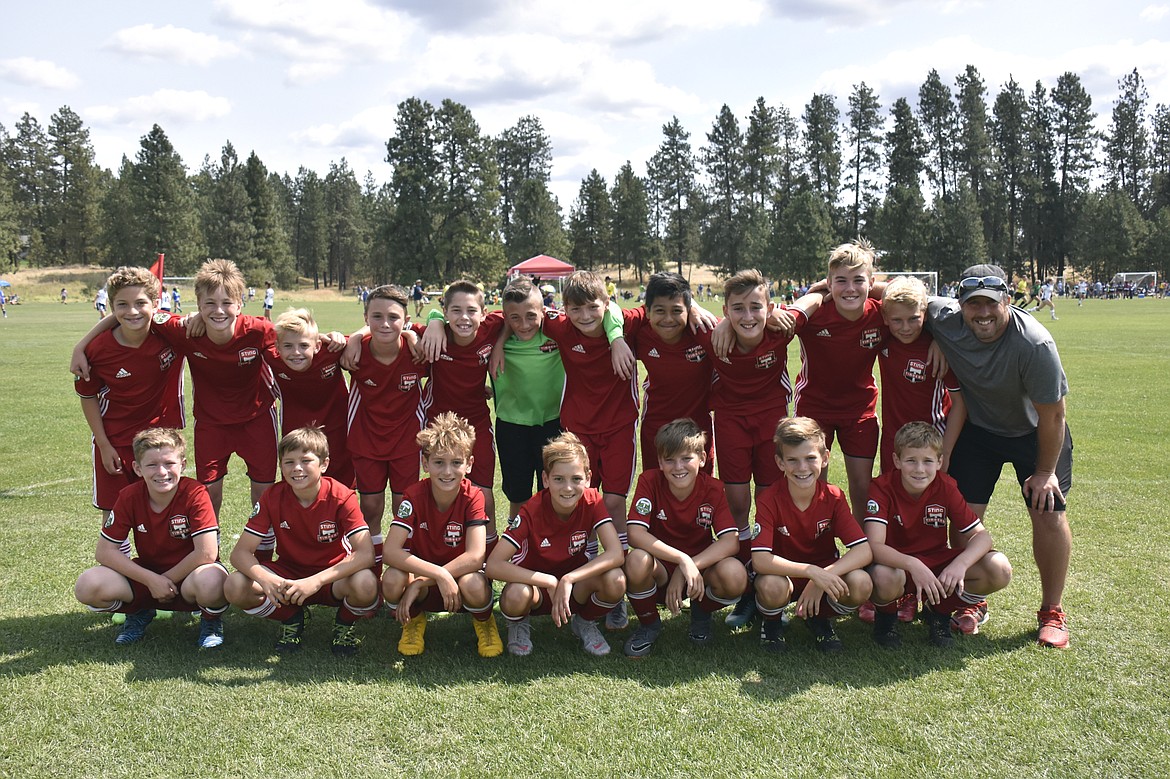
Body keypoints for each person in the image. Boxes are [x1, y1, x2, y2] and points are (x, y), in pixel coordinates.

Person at [926, 263, 1074, 648]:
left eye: (991, 303)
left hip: (1034, 433)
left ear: (1007, 300)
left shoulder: (1034, 343)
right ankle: (971, 600)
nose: (983, 313)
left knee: (1047, 513)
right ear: (959, 307)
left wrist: (1045, 471)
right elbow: (886, 291)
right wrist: (936, 339)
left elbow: (1053, 414)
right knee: (963, 519)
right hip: (980, 430)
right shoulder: (944, 318)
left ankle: (1052, 611)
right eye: (973, 305)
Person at [533, 270, 638, 628]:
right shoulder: (561, 328)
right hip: (578, 429)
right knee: (581, 499)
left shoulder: (626, 326)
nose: (585, 316)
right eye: (575, 309)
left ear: (607, 304)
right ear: (565, 310)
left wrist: (618, 337)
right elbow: (513, 313)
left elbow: (660, 307)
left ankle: (615, 588)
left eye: (593, 307)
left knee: (614, 502)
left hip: (621, 425)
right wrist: (436, 319)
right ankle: (582, 578)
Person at [225, 427, 379, 655]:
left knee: (366, 583)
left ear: (324, 464)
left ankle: (344, 625)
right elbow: (240, 554)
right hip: (289, 574)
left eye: (306, 460)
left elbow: (366, 554)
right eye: (288, 462)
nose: (297, 468)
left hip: (332, 577)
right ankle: (291, 618)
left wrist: (316, 581)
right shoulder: (272, 496)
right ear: (280, 466)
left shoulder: (342, 495)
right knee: (235, 585)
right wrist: (267, 580)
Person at [74, 428, 228, 648]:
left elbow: (206, 552)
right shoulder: (129, 496)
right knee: (87, 585)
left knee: (213, 582)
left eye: (169, 463)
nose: (162, 472)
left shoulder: (195, 493)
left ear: (182, 465)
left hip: (190, 578)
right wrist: (151, 581)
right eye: (152, 465)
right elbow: (104, 551)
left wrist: (165, 580)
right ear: (138, 468)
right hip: (148, 577)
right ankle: (139, 612)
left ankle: (210, 621)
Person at [864, 422, 1013, 648]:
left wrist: (960, 565)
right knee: (884, 577)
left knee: (999, 568)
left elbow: (983, 537)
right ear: (896, 461)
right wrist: (912, 564)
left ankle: (939, 613)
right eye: (911, 460)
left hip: (936, 562)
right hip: (897, 566)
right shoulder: (882, 487)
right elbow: (874, 546)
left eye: (927, 461)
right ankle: (887, 618)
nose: (919, 469)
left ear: (940, 462)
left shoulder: (946, 486)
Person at [485, 432, 627, 657]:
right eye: (559, 479)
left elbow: (616, 554)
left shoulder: (592, 500)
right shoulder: (532, 509)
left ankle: (584, 622)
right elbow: (493, 564)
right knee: (515, 596)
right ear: (545, 479)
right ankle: (519, 624)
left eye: (576, 479)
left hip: (574, 588)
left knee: (616, 579)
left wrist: (570, 578)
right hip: (537, 590)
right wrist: (549, 581)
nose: (568, 488)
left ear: (588, 478)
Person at [381, 412, 503, 658]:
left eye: (456, 462)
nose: (447, 472)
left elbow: (476, 557)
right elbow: (390, 551)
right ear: (425, 464)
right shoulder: (413, 496)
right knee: (392, 579)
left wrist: (424, 581)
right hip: (429, 581)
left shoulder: (474, 496)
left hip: (458, 583)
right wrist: (435, 574)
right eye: (439, 462)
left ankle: (484, 622)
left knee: (475, 583)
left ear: (468, 465)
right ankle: (414, 621)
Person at [622, 419, 745, 657]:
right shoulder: (649, 481)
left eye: (686, 458)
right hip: (658, 569)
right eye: (669, 460)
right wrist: (681, 560)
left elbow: (731, 541)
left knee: (735, 574)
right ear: (660, 462)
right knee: (636, 560)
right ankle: (648, 624)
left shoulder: (714, 488)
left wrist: (688, 566)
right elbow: (635, 533)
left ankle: (701, 613)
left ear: (702, 458)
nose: (678, 467)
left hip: (697, 572)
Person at [74, 267, 185, 527]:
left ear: (156, 304)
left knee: (165, 509)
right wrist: (103, 444)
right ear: (112, 307)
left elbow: (204, 324)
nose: (132, 311)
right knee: (114, 514)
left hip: (161, 439)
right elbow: (87, 397)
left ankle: (162, 565)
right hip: (115, 441)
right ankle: (114, 566)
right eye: (122, 304)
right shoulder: (97, 350)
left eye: (140, 303)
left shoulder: (169, 334)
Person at [751, 417, 873, 653]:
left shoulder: (834, 497)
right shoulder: (768, 500)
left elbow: (863, 550)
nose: (802, 468)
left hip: (824, 575)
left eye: (810, 458)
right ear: (780, 462)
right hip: (784, 576)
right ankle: (772, 623)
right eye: (793, 460)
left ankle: (818, 618)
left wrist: (823, 577)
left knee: (861, 582)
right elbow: (761, 560)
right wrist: (810, 572)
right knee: (770, 586)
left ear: (825, 458)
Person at [792, 240, 886, 521]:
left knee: (861, 487)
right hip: (814, 408)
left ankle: (863, 551)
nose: (850, 289)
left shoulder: (882, 314)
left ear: (870, 282)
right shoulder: (815, 314)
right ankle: (814, 547)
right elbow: (773, 318)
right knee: (812, 483)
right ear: (828, 282)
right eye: (841, 281)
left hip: (859, 410)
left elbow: (915, 308)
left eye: (858, 280)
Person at [417, 280, 508, 541]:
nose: (464, 318)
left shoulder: (491, 328)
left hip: (476, 422)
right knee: (437, 488)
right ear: (445, 312)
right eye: (455, 311)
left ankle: (487, 558)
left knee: (483, 491)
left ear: (484, 313)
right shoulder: (434, 335)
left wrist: (499, 343)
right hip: (437, 425)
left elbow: (513, 316)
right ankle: (432, 546)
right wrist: (433, 322)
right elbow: (400, 331)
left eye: (471, 311)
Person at [345, 285, 426, 572]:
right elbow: (314, 340)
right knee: (370, 507)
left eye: (393, 317)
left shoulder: (418, 351)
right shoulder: (352, 352)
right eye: (376, 316)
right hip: (366, 440)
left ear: (405, 320)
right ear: (366, 317)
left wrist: (414, 334)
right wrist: (355, 337)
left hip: (407, 441)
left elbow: (442, 323)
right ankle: (373, 565)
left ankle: (401, 568)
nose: (385, 324)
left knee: (403, 507)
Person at [490, 277, 565, 519]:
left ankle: (552, 546)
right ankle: (517, 549)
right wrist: (501, 339)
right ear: (504, 317)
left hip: (553, 424)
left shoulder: (558, 333)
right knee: (519, 495)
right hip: (512, 426)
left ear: (544, 311)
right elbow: (439, 315)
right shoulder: (493, 337)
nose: (524, 325)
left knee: (553, 491)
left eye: (531, 316)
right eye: (515, 318)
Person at [267, 308, 354, 488]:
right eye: (288, 346)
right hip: (295, 429)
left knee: (341, 483)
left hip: (337, 428)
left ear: (317, 345)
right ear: (277, 347)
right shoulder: (271, 358)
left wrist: (352, 338)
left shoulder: (332, 349)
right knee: (298, 476)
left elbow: (369, 337)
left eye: (304, 346)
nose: (296, 352)